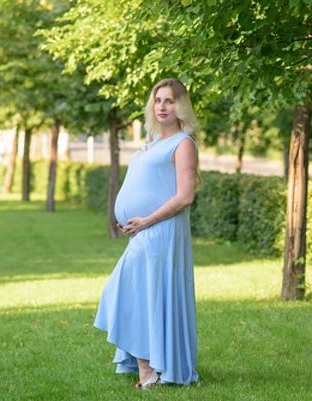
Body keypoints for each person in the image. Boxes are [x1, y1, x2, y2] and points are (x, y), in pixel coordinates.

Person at [94, 78, 200, 389]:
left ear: (180, 106)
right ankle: (149, 368)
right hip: (144, 232)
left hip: (161, 231)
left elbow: (185, 196)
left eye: (169, 101)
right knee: (140, 297)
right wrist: (130, 220)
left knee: (129, 294)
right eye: (158, 101)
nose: (163, 107)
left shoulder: (183, 143)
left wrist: (145, 221)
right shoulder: (151, 142)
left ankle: (148, 372)